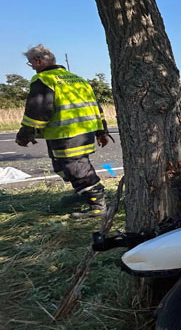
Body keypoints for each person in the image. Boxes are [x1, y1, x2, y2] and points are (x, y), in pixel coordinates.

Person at [15, 45, 112, 218]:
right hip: (83, 132)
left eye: (31, 64)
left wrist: (25, 134)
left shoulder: (44, 80)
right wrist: (101, 131)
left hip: (66, 134)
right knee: (63, 167)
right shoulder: (78, 79)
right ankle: (82, 193)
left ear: (38, 61)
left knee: (76, 169)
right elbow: (96, 107)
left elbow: (38, 111)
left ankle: (97, 205)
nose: (33, 67)